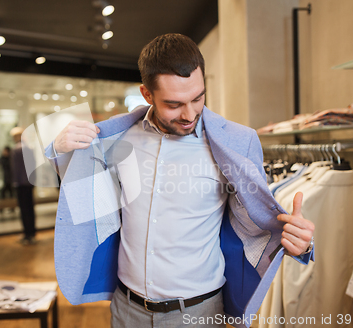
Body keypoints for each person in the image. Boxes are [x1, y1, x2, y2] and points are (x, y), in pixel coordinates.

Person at [46, 33, 315, 328]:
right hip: (126, 310)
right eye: (174, 104)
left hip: (199, 314)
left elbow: (257, 223)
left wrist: (300, 244)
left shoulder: (239, 142)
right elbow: (86, 199)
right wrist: (58, 150)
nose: (189, 114)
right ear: (147, 95)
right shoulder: (117, 138)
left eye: (198, 98)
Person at [10, 127, 36, 245]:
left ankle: (27, 234)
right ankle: (32, 233)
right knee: (30, 208)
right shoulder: (29, 149)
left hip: (21, 184)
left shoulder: (16, 150)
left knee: (24, 210)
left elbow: (15, 170)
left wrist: (15, 182)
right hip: (29, 183)